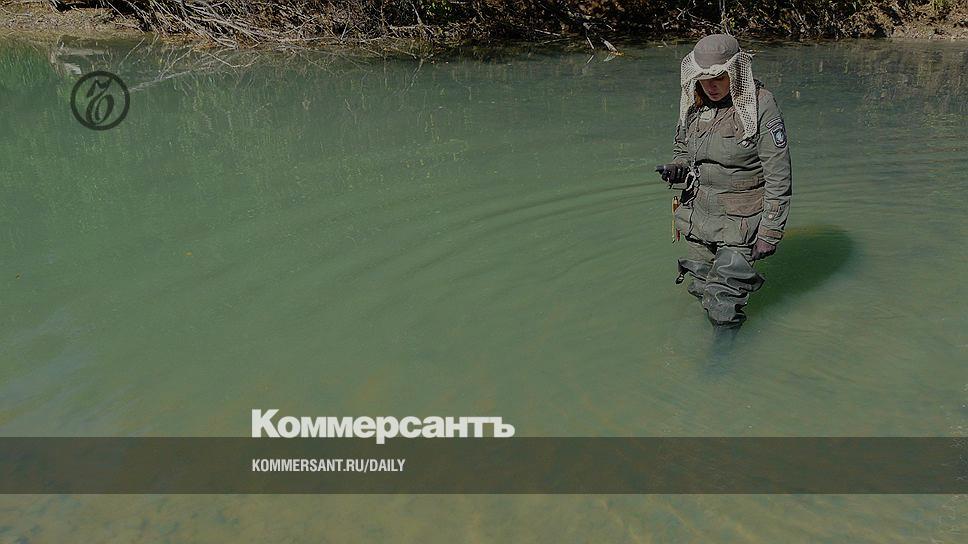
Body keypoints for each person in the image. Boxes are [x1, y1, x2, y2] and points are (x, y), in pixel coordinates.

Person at [656, 34, 792, 329]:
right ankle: (713, 342)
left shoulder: (760, 105)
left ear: (736, 71)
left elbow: (779, 175)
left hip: (741, 222)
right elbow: (682, 147)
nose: (711, 86)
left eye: (719, 77)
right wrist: (678, 168)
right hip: (699, 218)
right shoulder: (694, 101)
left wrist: (770, 231)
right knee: (700, 288)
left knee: (723, 304)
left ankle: (725, 354)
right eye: (704, 79)